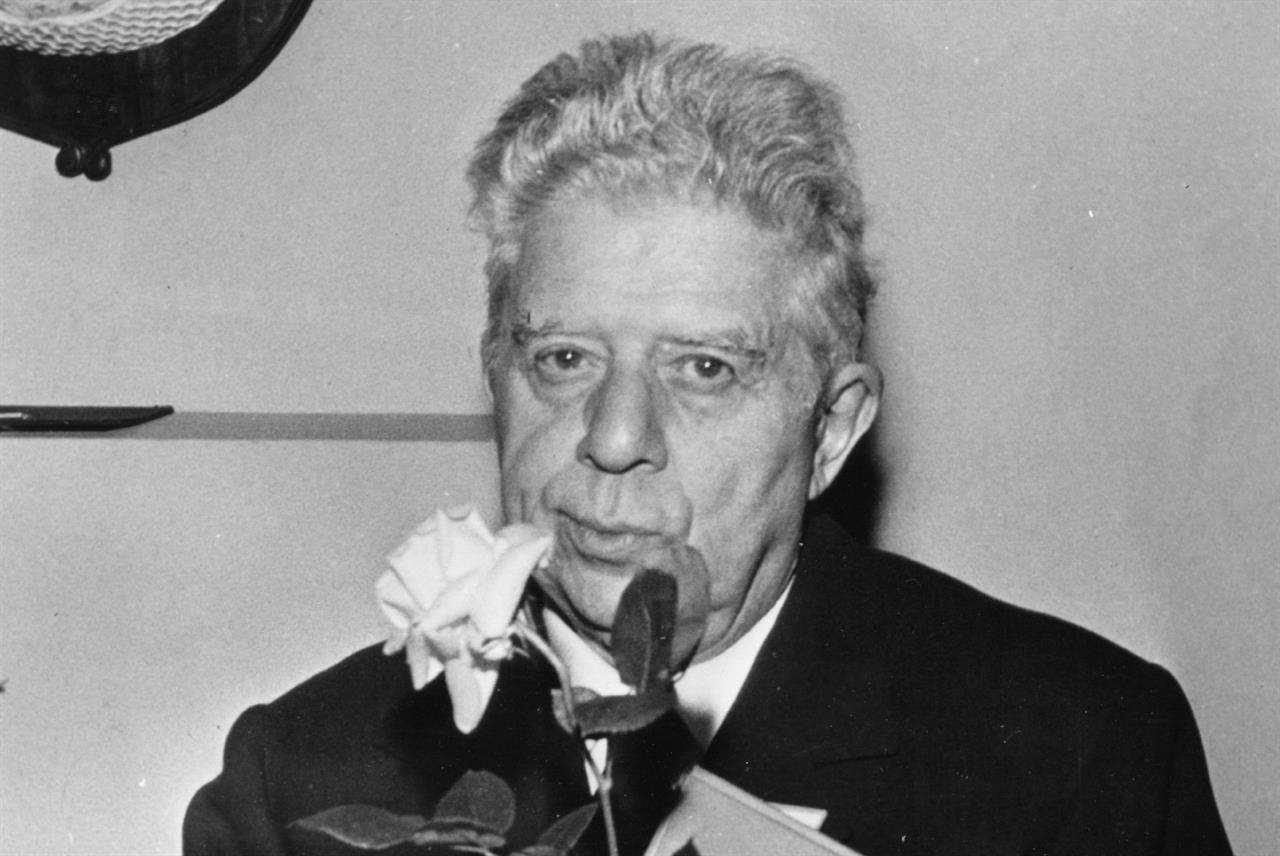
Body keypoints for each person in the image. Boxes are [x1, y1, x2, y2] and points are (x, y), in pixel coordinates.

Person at [184, 33, 1232, 856]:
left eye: (703, 369)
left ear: (831, 430)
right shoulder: (302, 780)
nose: (613, 439)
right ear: (495, 371)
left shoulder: (1074, 755)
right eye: (562, 359)